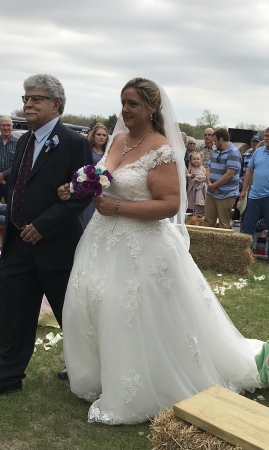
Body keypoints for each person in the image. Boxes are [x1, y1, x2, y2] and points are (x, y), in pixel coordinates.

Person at [60, 78, 264, 425]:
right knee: (97, 304)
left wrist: (118, 209)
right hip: (102, 239)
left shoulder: (163, 150)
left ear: (152, 108)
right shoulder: (119, 139)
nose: (125, 110)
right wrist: (81, 186)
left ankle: (142, 384)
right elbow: (104, 175)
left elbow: (169, 205)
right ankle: (101, 374)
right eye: (123, 103)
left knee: (133, 312)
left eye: (133, 104)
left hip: (143, 244)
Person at [0, 74, 93, 401]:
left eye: (36, 98)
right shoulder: (23, 142)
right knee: (14, 315)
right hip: (18, 246)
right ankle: (7, 378)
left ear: (57, 104)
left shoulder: (75, 143)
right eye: (26, 97)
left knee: (71, 315)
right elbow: (18, 188)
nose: (28, 103)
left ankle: (84, 368)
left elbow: (83, 194)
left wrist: (44, 225)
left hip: (57, 247)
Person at [240, 127, 269, 258]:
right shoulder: (258, 152)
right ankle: (245, 256)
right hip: (254, 196)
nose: (267, 138)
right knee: (247, 227)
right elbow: (249, 171)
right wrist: (244, 189)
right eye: (266, 136)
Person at [204, 128, 241, 229]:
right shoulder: (215, 152)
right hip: (211, 193)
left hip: (226, 194)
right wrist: (210, 184)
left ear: (221, 140)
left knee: (223, 223)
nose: (214, 144)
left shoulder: (233, 153)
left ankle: (221, 245)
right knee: (208, 221)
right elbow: (208, 169)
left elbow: (229, 174)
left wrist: (214, 185)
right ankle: (207, 244)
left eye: (215, 141)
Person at [79, 123, 109, 228]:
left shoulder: (108, 152)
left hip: (103, 188)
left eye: (104, 135)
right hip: (87, 187)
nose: (101, 137)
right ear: (93, 135)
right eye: (99, 134)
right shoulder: (87, 149)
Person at [186, 151, 207, 217]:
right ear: (191, 160)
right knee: (193, 198)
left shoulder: (202, 168)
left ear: (201, 160)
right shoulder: (191, 168)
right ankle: (194, 211)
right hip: (193, 187)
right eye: (194, 159)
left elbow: (206, 178)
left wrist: (201, 180)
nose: (196, 161)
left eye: (198, 159)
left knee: (199, 198)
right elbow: (188, 176)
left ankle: (200, 212)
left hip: (200, 187)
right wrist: (190, 176)